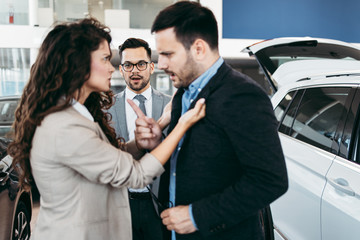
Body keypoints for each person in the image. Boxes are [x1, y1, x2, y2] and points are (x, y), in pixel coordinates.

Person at [7, 18, 205, 240]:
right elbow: (137, 175)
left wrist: (141, 141)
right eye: (105, 59)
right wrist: (182, 123)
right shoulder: (65, 127)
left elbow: (110, 156)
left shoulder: (76, 116)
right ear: (79, 64)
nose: (113, 68)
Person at [135, 1, 289, 240]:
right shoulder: (181, 95)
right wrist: (158, 143)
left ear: (198, 49)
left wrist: (197, 215)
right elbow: (187, 160)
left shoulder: (244, 96)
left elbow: (270, 181)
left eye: (168, 54)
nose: (161, 64)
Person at [108, 37, 171, 240]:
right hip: (120, 204)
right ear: (121, 69)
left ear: (151, 67)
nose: (135, 70)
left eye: (141, 64)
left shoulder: (171, 106)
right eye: (128, 65)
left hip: (160, 204)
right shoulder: (105, 109)